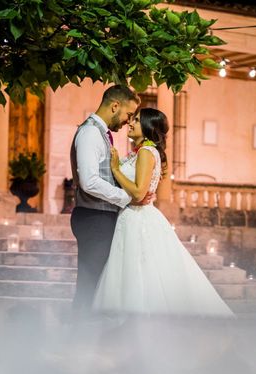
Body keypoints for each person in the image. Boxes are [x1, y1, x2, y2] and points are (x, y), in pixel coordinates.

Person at [92, 108, 233, 317]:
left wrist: (115, 169)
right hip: (135, 216)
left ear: (148, 127)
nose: (131, 123)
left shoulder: (146, 153)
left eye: (137, 120)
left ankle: (135, 323)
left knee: (138, 273)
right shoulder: (143, 152)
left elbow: (139, 192)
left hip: (137, 218)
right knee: (138, 273)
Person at [70, 85, 152, 313]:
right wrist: (126, 198)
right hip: (94, 218)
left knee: (98, 282)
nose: (128, 121)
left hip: (100, 216)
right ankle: (78, 336)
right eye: (128, 114)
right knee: (90, 282)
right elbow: (89, 181)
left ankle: (85, 333)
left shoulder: (100, 133)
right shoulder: (89, 133)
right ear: (115, 106)